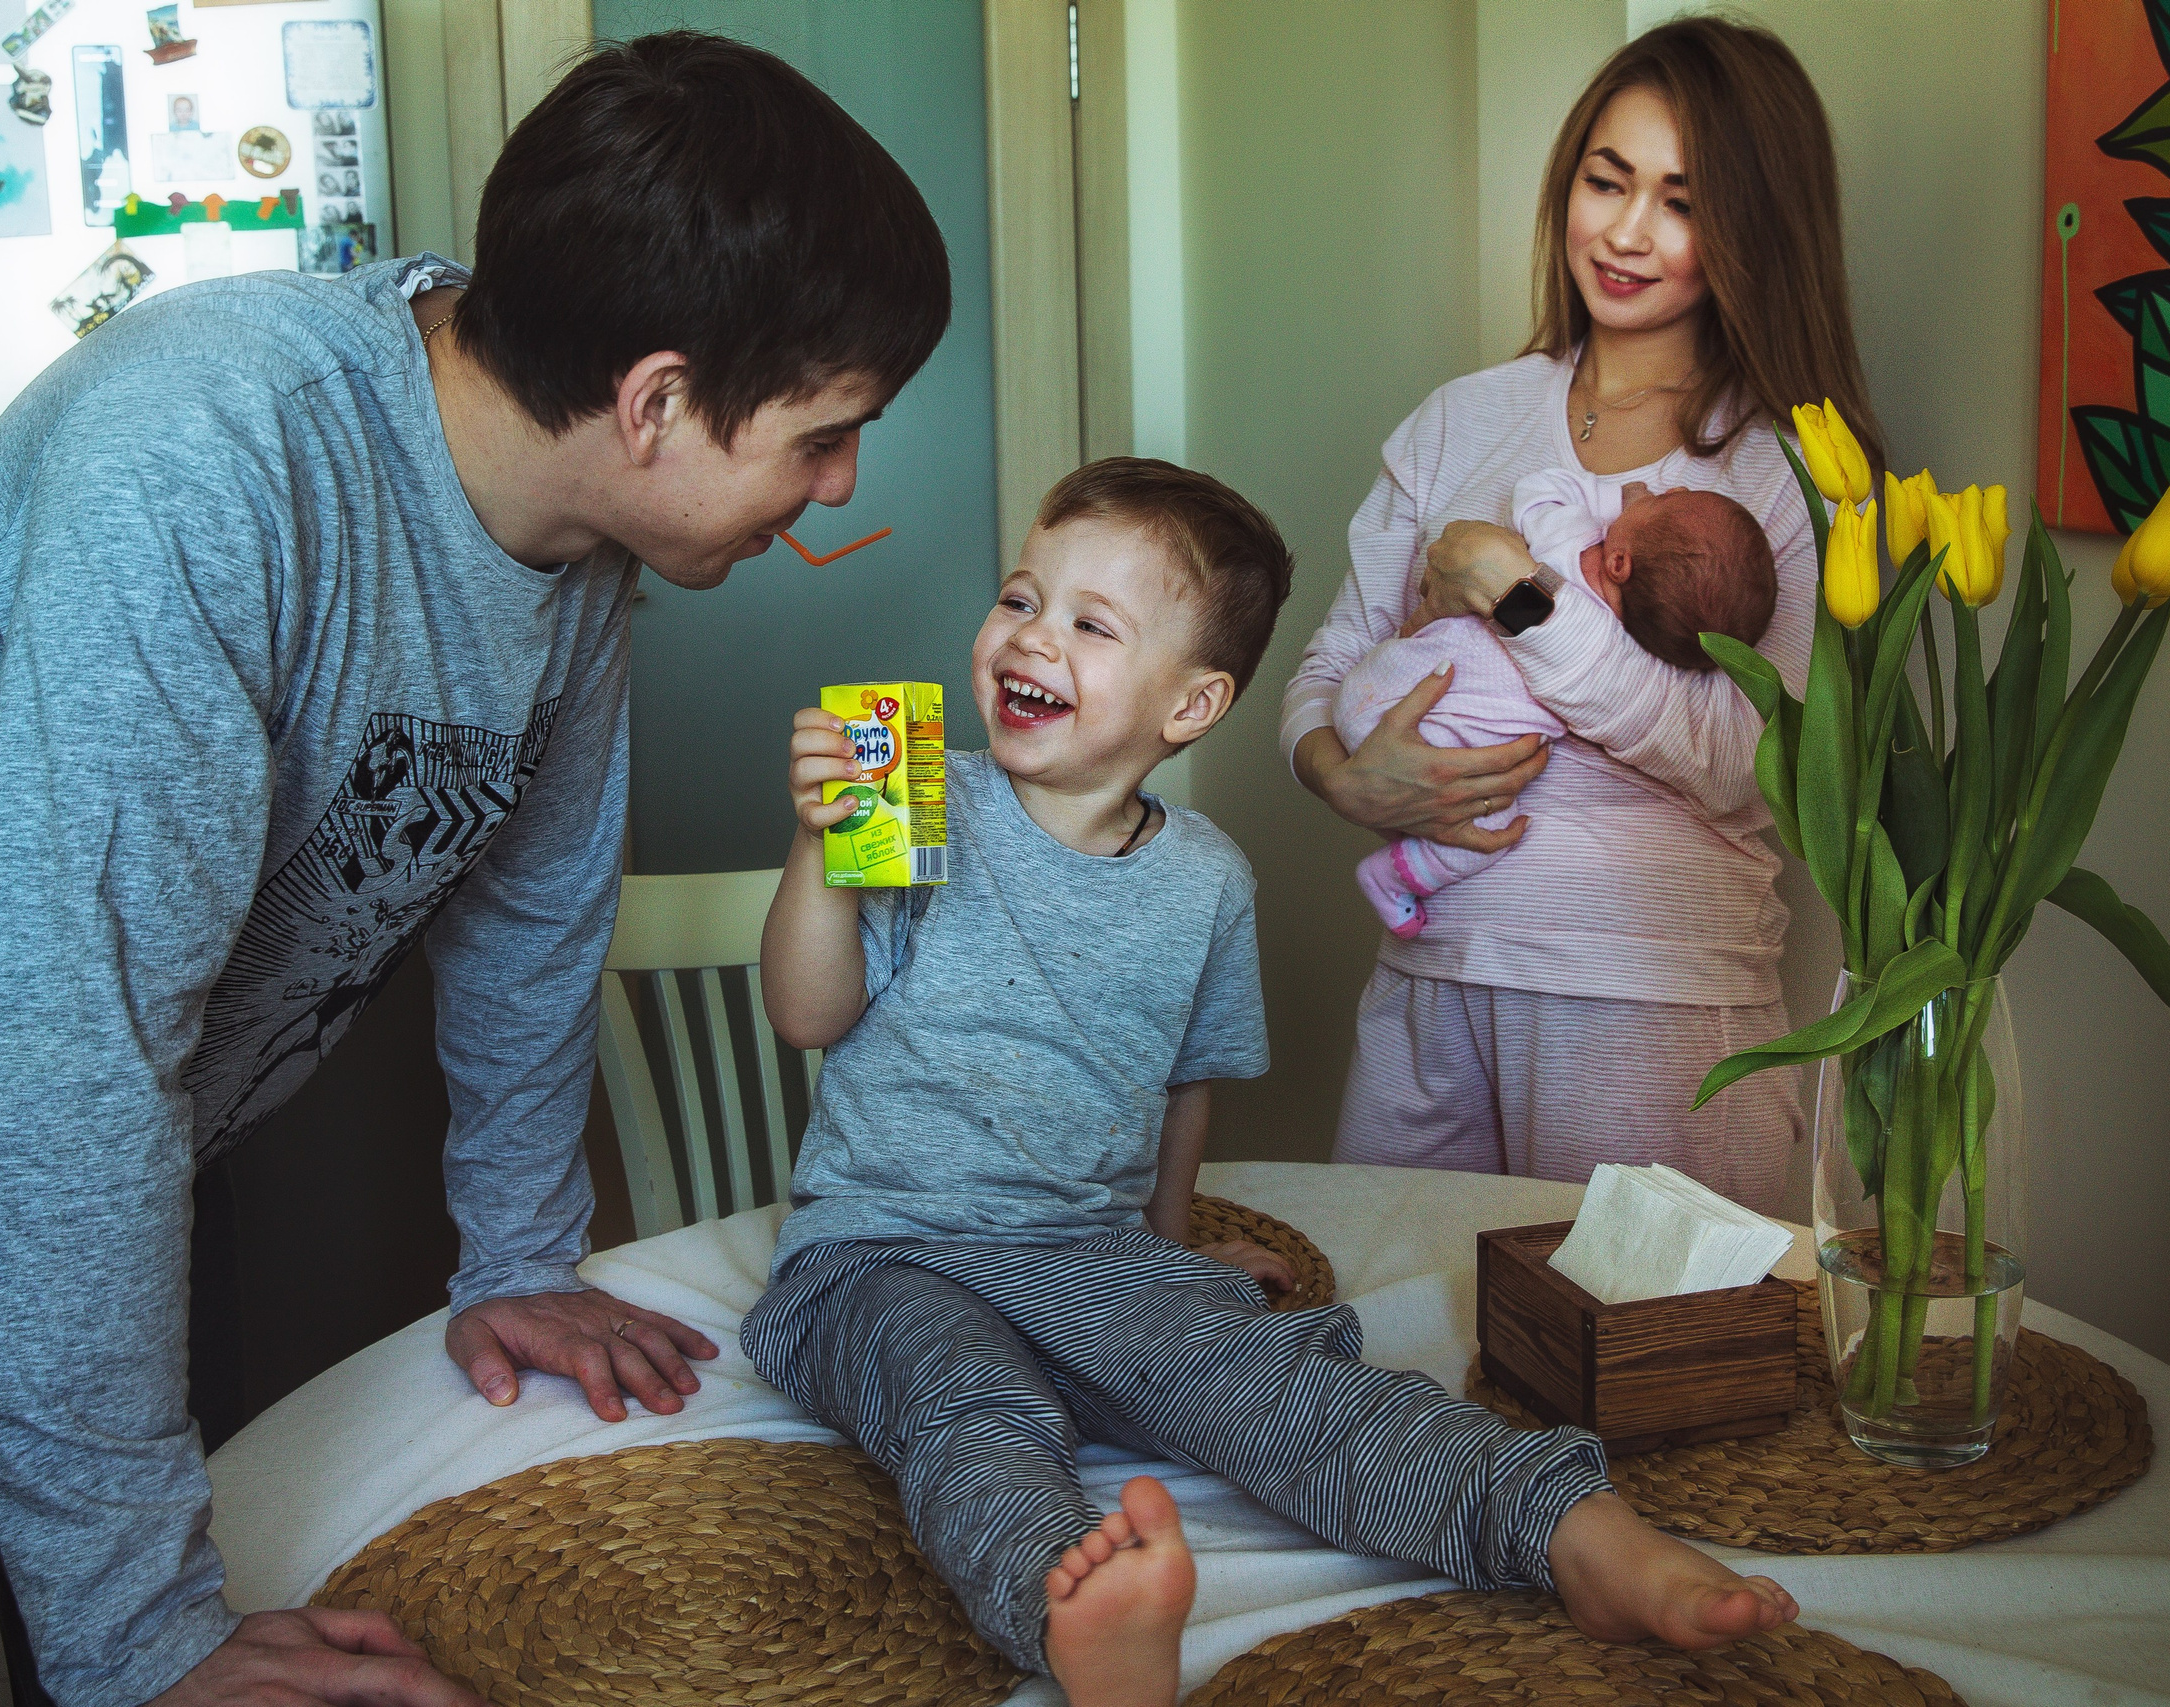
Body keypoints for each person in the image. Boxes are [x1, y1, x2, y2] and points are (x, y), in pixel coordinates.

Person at [0, 32, 950, 1707]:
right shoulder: (204, 457)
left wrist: (517, 1260)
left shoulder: (571, 546)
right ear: (655, 401)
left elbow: (534, 910)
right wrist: (139, 1634)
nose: (843, 484)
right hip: (26, 1135)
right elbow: (62, 1066)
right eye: (824, 434)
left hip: (113, 1176)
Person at [738, 456, 1802, 1707]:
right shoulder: (912, 806)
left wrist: (1170, 1249)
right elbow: (809, 1014)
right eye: (1023, 599)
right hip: (876, 1255)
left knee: (1270, 1376)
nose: (1030, 638)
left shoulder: (1204, 881)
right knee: (966, 1405)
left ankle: (1560, 1525)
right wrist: (817, 847)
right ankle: (1065, 1607)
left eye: (1090, 624)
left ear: (1189, 707)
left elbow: (1187, 1088)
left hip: (1083, 1253)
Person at [1281, 17, 1885, 1207]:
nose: (1623, 232)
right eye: (1605, 181)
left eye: (1681, 201)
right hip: (1429, 981)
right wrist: (1335, 775)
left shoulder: (1792, 469)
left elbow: (1753, 765)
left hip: (1651, 1010)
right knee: (1394, 1350)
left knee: (1651, 1375)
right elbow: (1330, 662)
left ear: (1755, 230)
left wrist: (1521, 600)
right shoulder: (1462, 419)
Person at [1342, 474, 1775, 938]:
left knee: (1468, 806)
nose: (1675, 488)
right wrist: (1644, 517)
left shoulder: (1569, 537)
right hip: (1423, 732)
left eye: (1669, 502)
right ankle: (1390, 877)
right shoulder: (1643, 659)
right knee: (1491, 828)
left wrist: (1613, 503)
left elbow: (1538, 490)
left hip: (1384, 687)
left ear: (1620, 563)